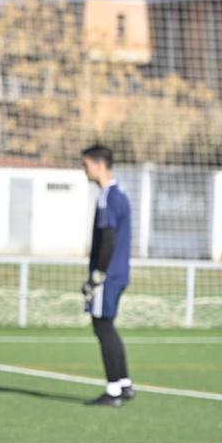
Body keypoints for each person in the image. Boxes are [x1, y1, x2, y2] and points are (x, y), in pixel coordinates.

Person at [80, 144, 135, 407]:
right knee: (107, 326)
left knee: (102, 327)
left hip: (109, 275)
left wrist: (97, 275)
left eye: (86, 164)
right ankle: (123, 383)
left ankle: (114, 390)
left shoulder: (108, 197)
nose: (84, 170)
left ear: (99, 165)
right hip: (119, 272)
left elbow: (109, 239)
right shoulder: (120, 193)